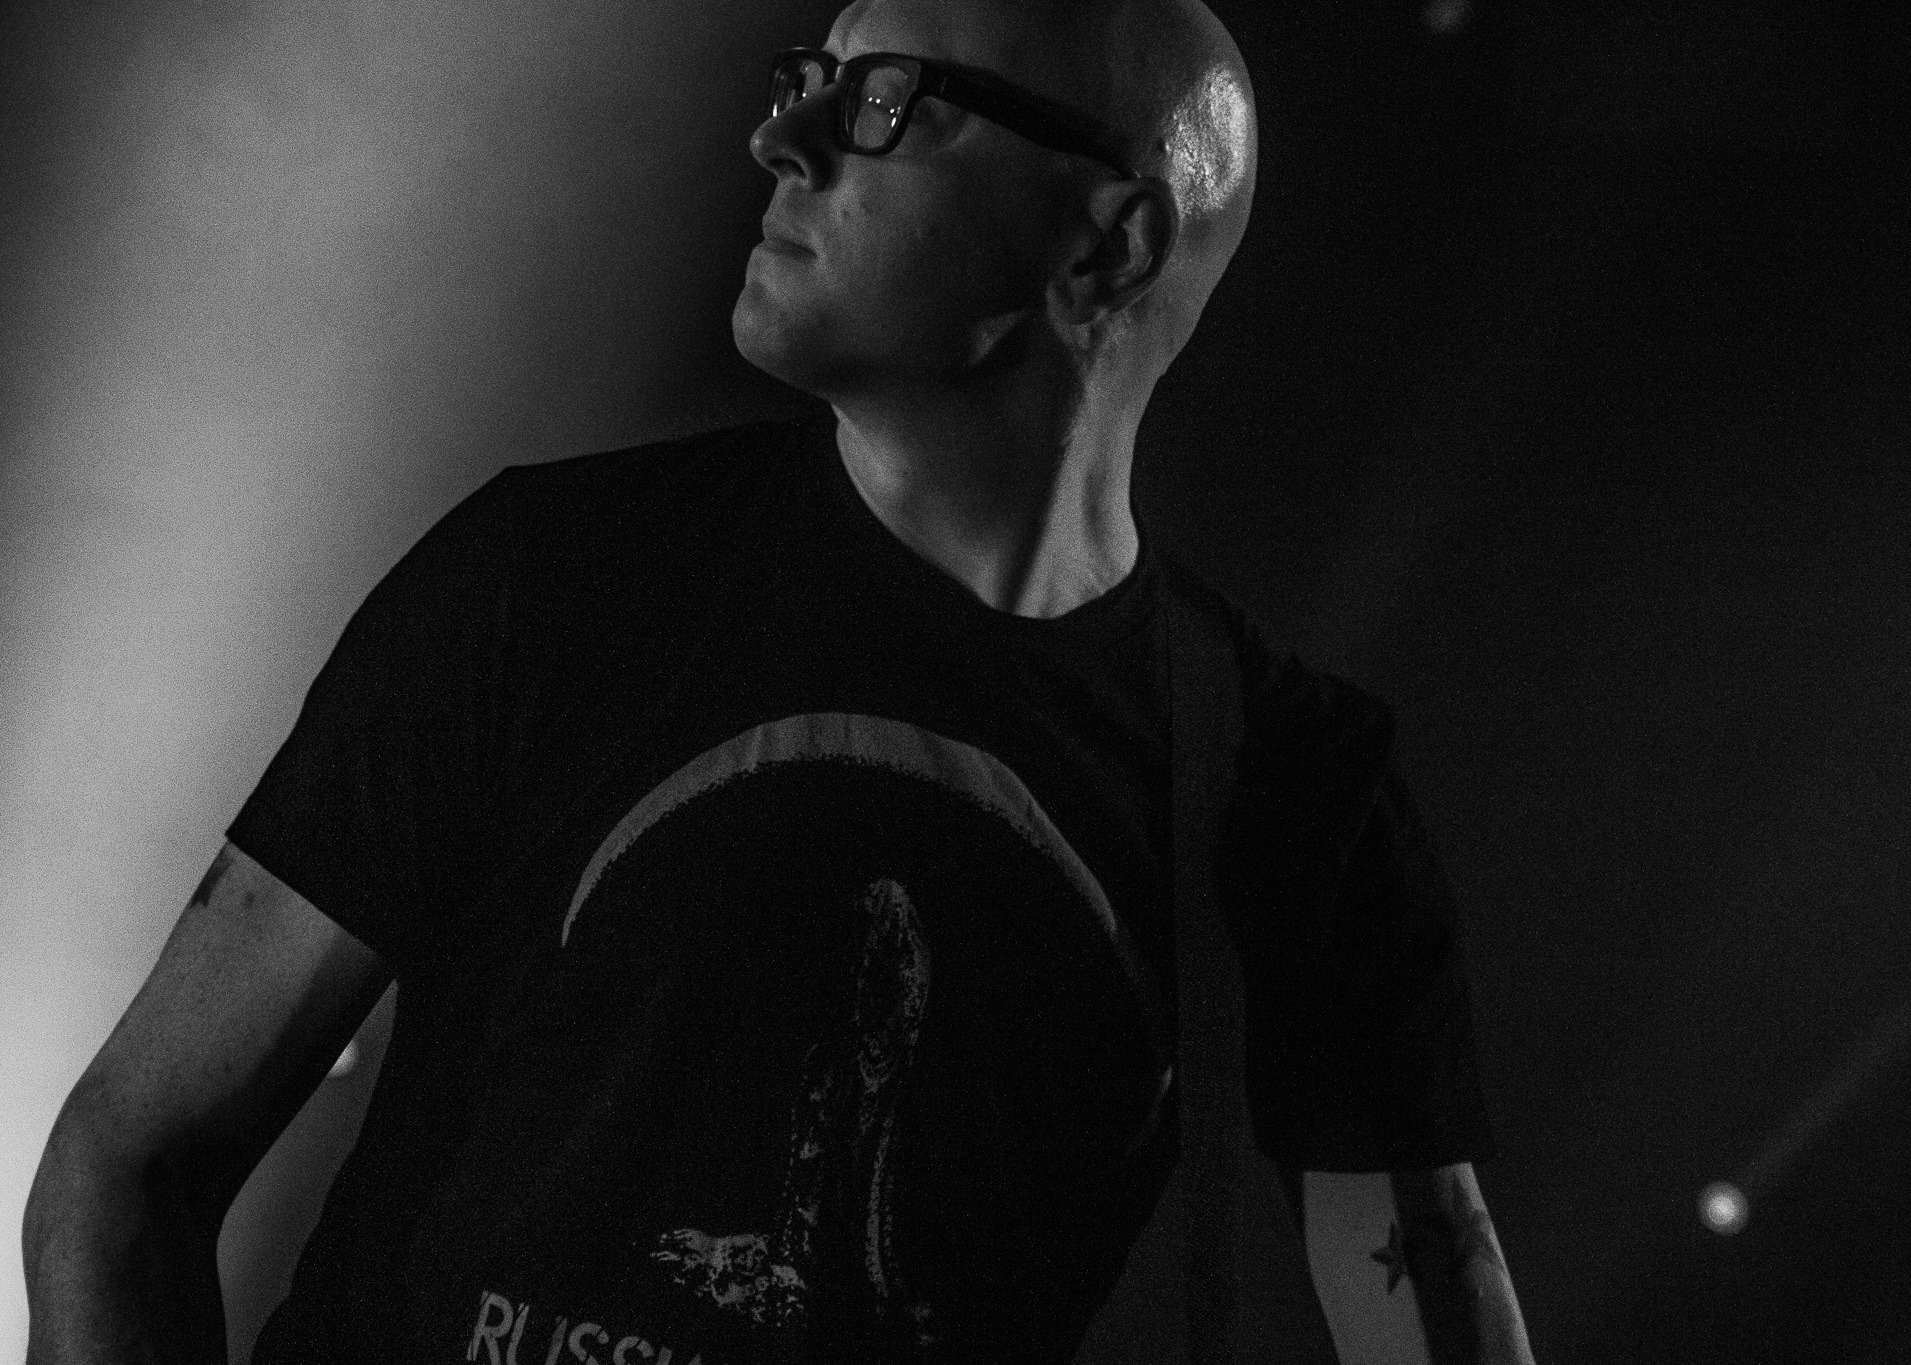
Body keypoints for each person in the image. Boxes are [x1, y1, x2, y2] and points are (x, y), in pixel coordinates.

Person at [23, 0, 1536, 1361]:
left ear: (1110, 247)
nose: (783, 139)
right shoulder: (550, 580)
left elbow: (1430, 1299)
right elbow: (126, 1169)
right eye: (807, 77)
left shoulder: (1281, 776)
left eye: (887, 99)